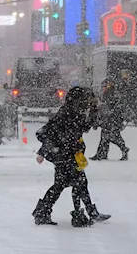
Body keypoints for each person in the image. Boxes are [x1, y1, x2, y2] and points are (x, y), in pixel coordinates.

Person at [32, 86, 110, 228]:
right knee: (70, 184)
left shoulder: (73, 111)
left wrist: (94, 112)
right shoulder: (67, 112)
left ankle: (78, 214)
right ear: (77, 99)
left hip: (69, 154)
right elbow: (54, 131)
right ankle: (79, 214)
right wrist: (42, 152)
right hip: (65, 155)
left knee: (76, 183)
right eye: (85, 99)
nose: (86, 102)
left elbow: (84, 127)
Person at [92, 78, 128, 161]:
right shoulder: (108, 93)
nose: (103, 88)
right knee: (106, 138)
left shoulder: (110, 93)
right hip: (109, 119)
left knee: (111, 137)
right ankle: (101, 154)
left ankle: (123, 149)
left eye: (105, 86)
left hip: (111, 119)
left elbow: (109, 107)